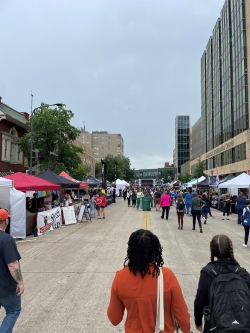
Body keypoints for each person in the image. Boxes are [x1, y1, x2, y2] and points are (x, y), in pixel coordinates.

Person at [107, 229, 192, 333]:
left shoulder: (120, 277)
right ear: (154, 250)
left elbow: (114, 319)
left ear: (131, 250)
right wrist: (186, 329)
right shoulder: (167, 276)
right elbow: (182, 314)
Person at [194, 234, 250, 332]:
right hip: (243, 326)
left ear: (212, 251)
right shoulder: (242, 273)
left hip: (215, 326)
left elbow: (200, 300)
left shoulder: (207, 273)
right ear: (230, 249)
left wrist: (198, 321)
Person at [0, 209, 24, 332]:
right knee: (13, 310)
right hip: (5, 286)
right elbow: (13, 265)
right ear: (6, 221)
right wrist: (20, 282)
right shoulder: (6, 239)